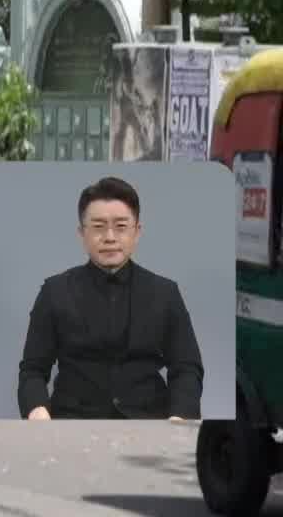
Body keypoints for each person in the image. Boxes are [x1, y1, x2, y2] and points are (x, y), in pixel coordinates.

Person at [17, 175, 204, 421]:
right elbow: (32, 371)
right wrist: (38, 412)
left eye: (121, 226)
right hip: (71, 424)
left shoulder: (165, 293)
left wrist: (180, 416)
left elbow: (187, 367)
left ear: (137, 232)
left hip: (150, 423)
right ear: (81, 233)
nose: (109, 237)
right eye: (98, 227)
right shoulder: (54, 291)